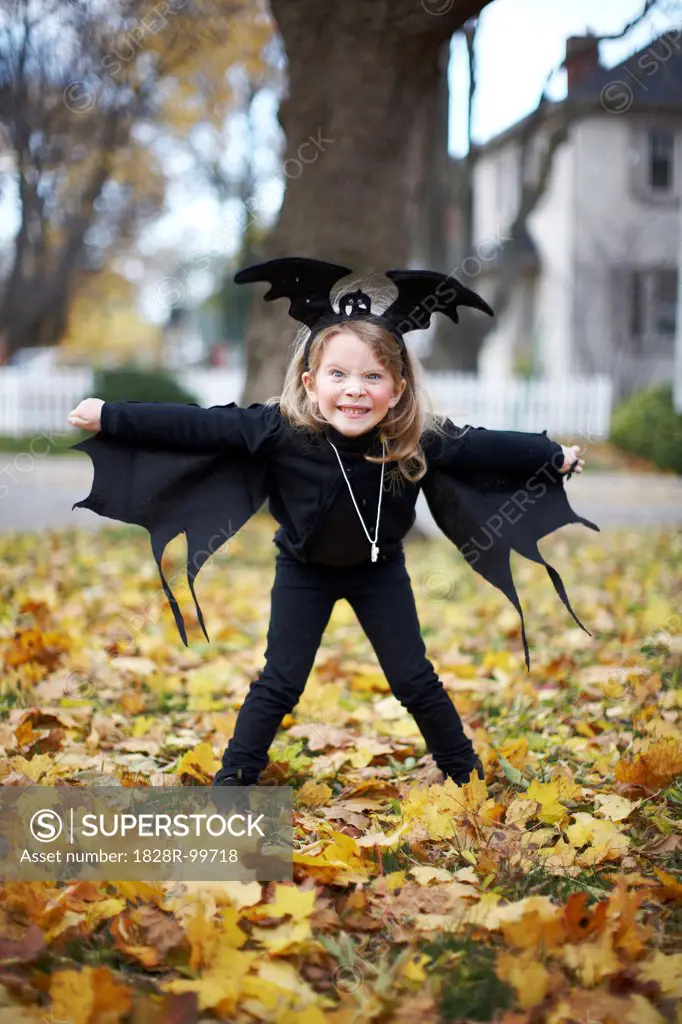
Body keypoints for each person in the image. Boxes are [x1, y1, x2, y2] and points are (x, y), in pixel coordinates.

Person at [67, 257, 590, 791]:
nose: (355, 389)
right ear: (311, 383)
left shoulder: (416, 440)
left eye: (372, 376)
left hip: (379, 573)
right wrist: (110, 415)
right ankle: (233, 782)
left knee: (414, 679)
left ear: (399, 387)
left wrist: (552, 456)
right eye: (338, 375)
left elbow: (488, 446)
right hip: (302, 571)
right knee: (281, 680)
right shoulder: (277, 430)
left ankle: (468, 779)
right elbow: (198, 426)